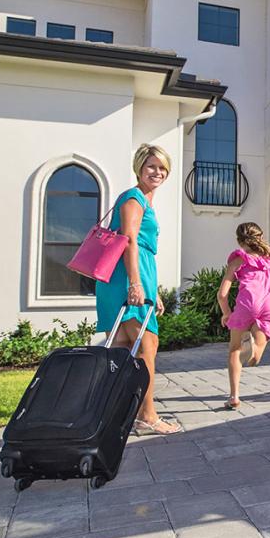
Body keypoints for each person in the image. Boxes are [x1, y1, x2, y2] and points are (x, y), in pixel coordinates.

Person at [96, 143, 182, 436]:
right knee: (147, 347)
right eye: (151, 166)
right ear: (139, 168)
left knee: (121, 350)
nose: (157, 172)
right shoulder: (134, 199)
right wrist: (135, 283)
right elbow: (130, 241)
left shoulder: (143, 199)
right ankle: (147, 415)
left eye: (162, 168)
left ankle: (117, 414)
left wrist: (151, 288)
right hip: (126, 276)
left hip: (132, 274)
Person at [217, 222, 270, 410]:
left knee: (235, 350)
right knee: (254, 356)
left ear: (239, 240)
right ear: (259, 237)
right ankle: (253, 346)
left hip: (246, 304)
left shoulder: (238, 260)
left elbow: (222, 294)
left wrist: (227, 313)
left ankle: (234, 396)